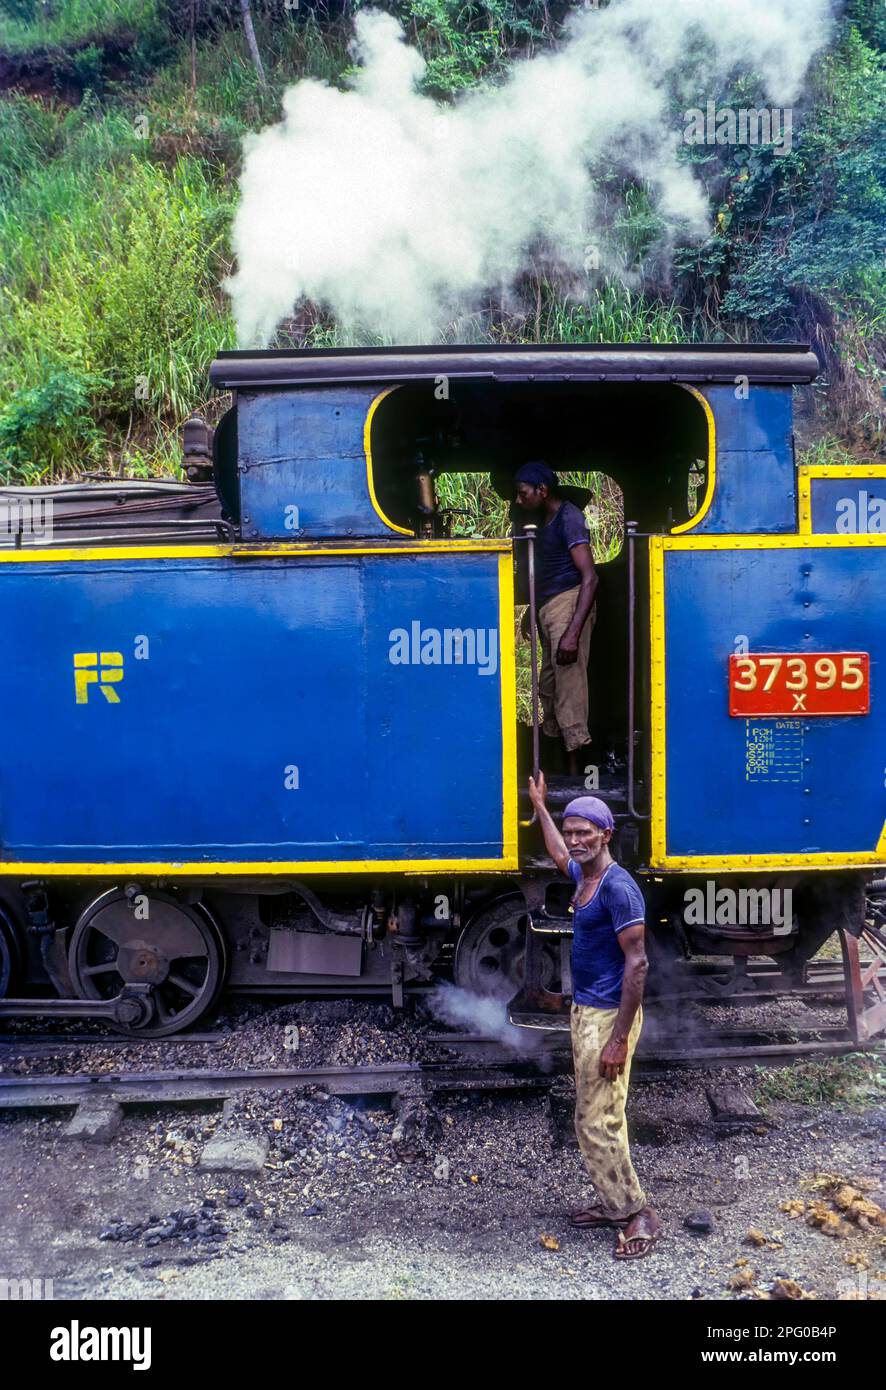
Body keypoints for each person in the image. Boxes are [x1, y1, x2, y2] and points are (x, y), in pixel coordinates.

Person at [527, 775, 660, 1259]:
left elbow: (639, 963)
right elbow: (561, 853)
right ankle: (613, 1203)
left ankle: (635, 1212)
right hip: (589, 1012)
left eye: (586, 832)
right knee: (602, 1114)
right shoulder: (586, 875)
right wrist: (542, 808)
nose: (577, 840)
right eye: (572, 830)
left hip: (608, 1018)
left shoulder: (619, 890)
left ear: (606, 834)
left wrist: (618, 1039)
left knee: (594, 1120)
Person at [514, 461, 598, 774]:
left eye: (523, 494)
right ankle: (559, 765)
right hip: (549, 607)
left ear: (542, 490)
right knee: (548, 684)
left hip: (569, 602)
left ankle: (581, 773)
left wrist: (573, 632)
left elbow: (590, 577)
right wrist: (532, 612)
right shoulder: (545, 517)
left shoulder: (569, 518)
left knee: (569, 687)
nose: (519, 501)